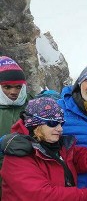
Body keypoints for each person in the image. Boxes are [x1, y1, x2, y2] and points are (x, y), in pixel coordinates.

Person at [1, 97, 87, 200]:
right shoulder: (18, 153)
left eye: (61, 123)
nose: (60, 129)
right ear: (35, 125)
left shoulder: (61, 147)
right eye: (53, 123)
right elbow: (41, 195)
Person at [0, 56, 33, 197]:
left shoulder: (33, 105)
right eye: (7, 87)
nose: (13, 92)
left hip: (28, 175)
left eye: (18, 87)